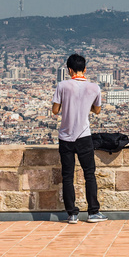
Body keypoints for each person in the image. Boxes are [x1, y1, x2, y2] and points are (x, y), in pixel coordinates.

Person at [52, 53, 105, 223]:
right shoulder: (94, 87)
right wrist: (85, 107)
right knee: (89, 174)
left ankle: (72, 213)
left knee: (68, 175)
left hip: (66, 136)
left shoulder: (62, 85)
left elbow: (55, 110)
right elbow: (97, 111)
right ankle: (93, 212)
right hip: (84, 136)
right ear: (85, 69)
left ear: (69, 69)